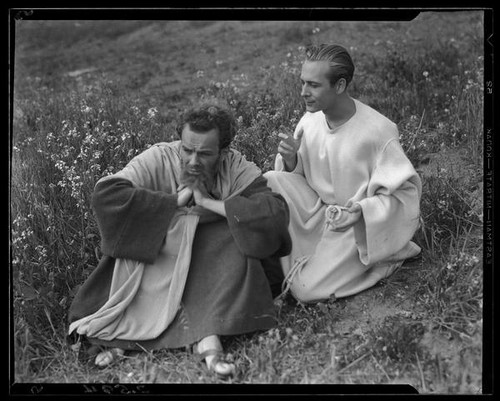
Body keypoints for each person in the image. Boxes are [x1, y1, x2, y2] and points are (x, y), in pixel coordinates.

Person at [67, 104, 291, 377]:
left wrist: (209, 204)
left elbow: (273, 213)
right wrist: (175, 202)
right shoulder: (159, 157)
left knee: (229, 233)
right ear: (179, 143)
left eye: (205, 154)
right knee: (159, 230)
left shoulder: (236, 166)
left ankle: (206, 337)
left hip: (211, 264)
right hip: (161, 261)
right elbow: (106, 196)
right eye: (188, 150)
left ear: (223, 153)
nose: (194, 161)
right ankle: (136, 338)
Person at [264, 43, 422, 304]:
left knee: (305, 290)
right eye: (302, 83)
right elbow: (302, 179)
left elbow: (404, 195)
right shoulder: (310, 120)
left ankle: (385, 261)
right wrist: (292, 160)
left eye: (313, 85)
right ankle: (307, 259)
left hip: (355, 227)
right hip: (317, 212)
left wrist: (360, 212)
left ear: (339, 86)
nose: (303, 92)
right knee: (270, 181)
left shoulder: (377, 131)